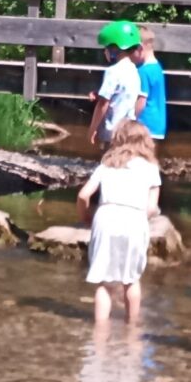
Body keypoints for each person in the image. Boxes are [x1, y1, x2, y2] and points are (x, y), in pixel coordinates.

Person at [76, 124, 163, 324]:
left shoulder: (106, 165)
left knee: (104, 282)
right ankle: (131, 326)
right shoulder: (150, 169)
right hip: (133, 219)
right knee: (131, 279)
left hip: (106, 216)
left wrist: (86, 216)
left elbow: (83, 195)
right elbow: (151, 208)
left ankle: (100, 330)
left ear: (117, 140)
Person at [89, 20, 148, 146]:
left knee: (109, 162)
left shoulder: (112, 71)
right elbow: (122, 95)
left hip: (111, 133)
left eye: (106, 48)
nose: (105, 52)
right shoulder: (134, 71)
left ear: (114, 49)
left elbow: (103, 104)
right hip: (128, 130)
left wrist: (92, 128)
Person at [135, 26, 169, 143]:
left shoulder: (143, 71)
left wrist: (130, 119)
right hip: (158, 125)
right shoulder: (157, 67)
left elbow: (141, 101)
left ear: (139, 48)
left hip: (144, 125)